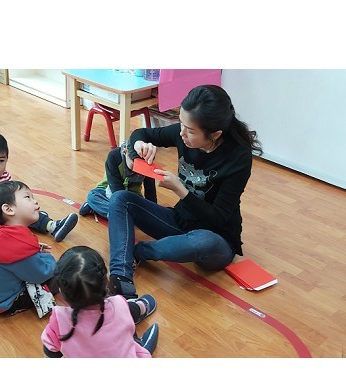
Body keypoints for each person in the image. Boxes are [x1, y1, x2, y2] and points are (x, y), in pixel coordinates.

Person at [107, 85, 263, 299]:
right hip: (180, 221)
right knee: (120, 199)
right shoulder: (183, 134)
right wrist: (139, 146)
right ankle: (120, 276)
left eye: (189, 130)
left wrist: (181, 190)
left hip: (217, 237)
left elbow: (219, 218)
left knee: (203, 241)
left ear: (215, 134)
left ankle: (139, 251)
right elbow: (140, 133)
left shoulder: (239, 157)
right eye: (181, 123)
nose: (182, 133)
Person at [0, 131, 78, 247]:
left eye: (1, 160)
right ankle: (15, 240)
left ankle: (53, 226)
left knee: (28, 211)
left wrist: (25, 208)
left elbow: (12, 198)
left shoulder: (5, 176)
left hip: (5, 210)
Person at [41, 245, 159, 358]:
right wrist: (142, 306)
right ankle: (140, 343)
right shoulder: (118, 304)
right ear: (106, 281)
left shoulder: (58, 320)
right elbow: (131, 310)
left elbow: (50, 352)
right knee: (130, 314)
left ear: (61, 290)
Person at [0, 180, 58, 317]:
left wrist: (33, 249)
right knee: (57, 276)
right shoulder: (19, 249)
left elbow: (12, 251)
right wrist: (50, 259)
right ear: (8, 209)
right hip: (1, 303)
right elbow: (41, 274)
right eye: (28, 197)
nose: (35, 201)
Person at [78, 142, 157, 219]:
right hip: (108, 192)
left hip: (132, 196)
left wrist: (154, 212)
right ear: (125, 151)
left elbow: (150, 191)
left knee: (143, 208)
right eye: (134, 163)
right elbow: (116, 190)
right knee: (92, 195)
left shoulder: (147, 162)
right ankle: (123, 216)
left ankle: (104, 211)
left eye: (142, 165)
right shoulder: (114, 156)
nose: (137, 168)